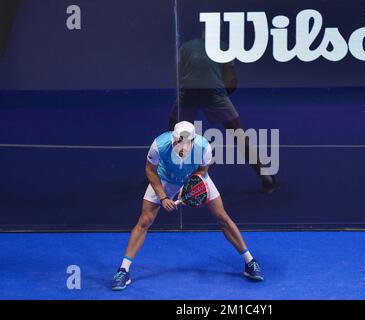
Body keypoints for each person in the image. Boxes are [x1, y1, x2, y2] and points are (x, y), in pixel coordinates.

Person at [112, 121, 264, 290]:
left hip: (194, 179)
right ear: (173, 138)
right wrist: (163, 197)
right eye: (177, 141)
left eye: (184, 142)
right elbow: (150, 170)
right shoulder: (159, 145)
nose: (180, 145)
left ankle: (250, 262)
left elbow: (203, 170)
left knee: (223, 217)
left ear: (192, 141)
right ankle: (123, 270)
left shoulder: (203, 147)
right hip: (165, 179)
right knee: (145, 221)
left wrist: (190, 185)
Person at [168, 32, 278, 194]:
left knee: (172, 129)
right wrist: (220, 93)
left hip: (189, 92)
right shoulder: (224, 47)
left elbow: (178, 76)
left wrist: (189, 91)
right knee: (238, 132)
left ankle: (159, 173)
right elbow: (230, 80)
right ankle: (266, 177)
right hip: (214, 92)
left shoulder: (186, 46)